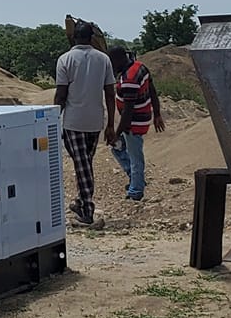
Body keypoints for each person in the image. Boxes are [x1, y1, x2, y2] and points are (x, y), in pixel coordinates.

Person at [54, 21, 116, 227]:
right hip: (95, 121)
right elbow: (109, 93)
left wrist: (54, 120)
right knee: (85, 164)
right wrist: (110, 125)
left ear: (74, 38)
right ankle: (81, 202)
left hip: (73, 121)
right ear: (91, 38)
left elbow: (61, 95)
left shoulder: (65, 59)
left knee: (83, 167)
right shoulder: (103, 59)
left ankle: (87, 210)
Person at [107, 45, 166, 200]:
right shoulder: (140, 67)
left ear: (118, 60)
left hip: (133, 123)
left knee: (135, 157)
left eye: (112, 62)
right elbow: (152, 90)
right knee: (118, 148)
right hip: (141, 117)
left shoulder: (129, 79)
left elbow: (128, 111)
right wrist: (157, 113)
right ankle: (135, 180)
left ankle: (136, 191)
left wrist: (117, 132)